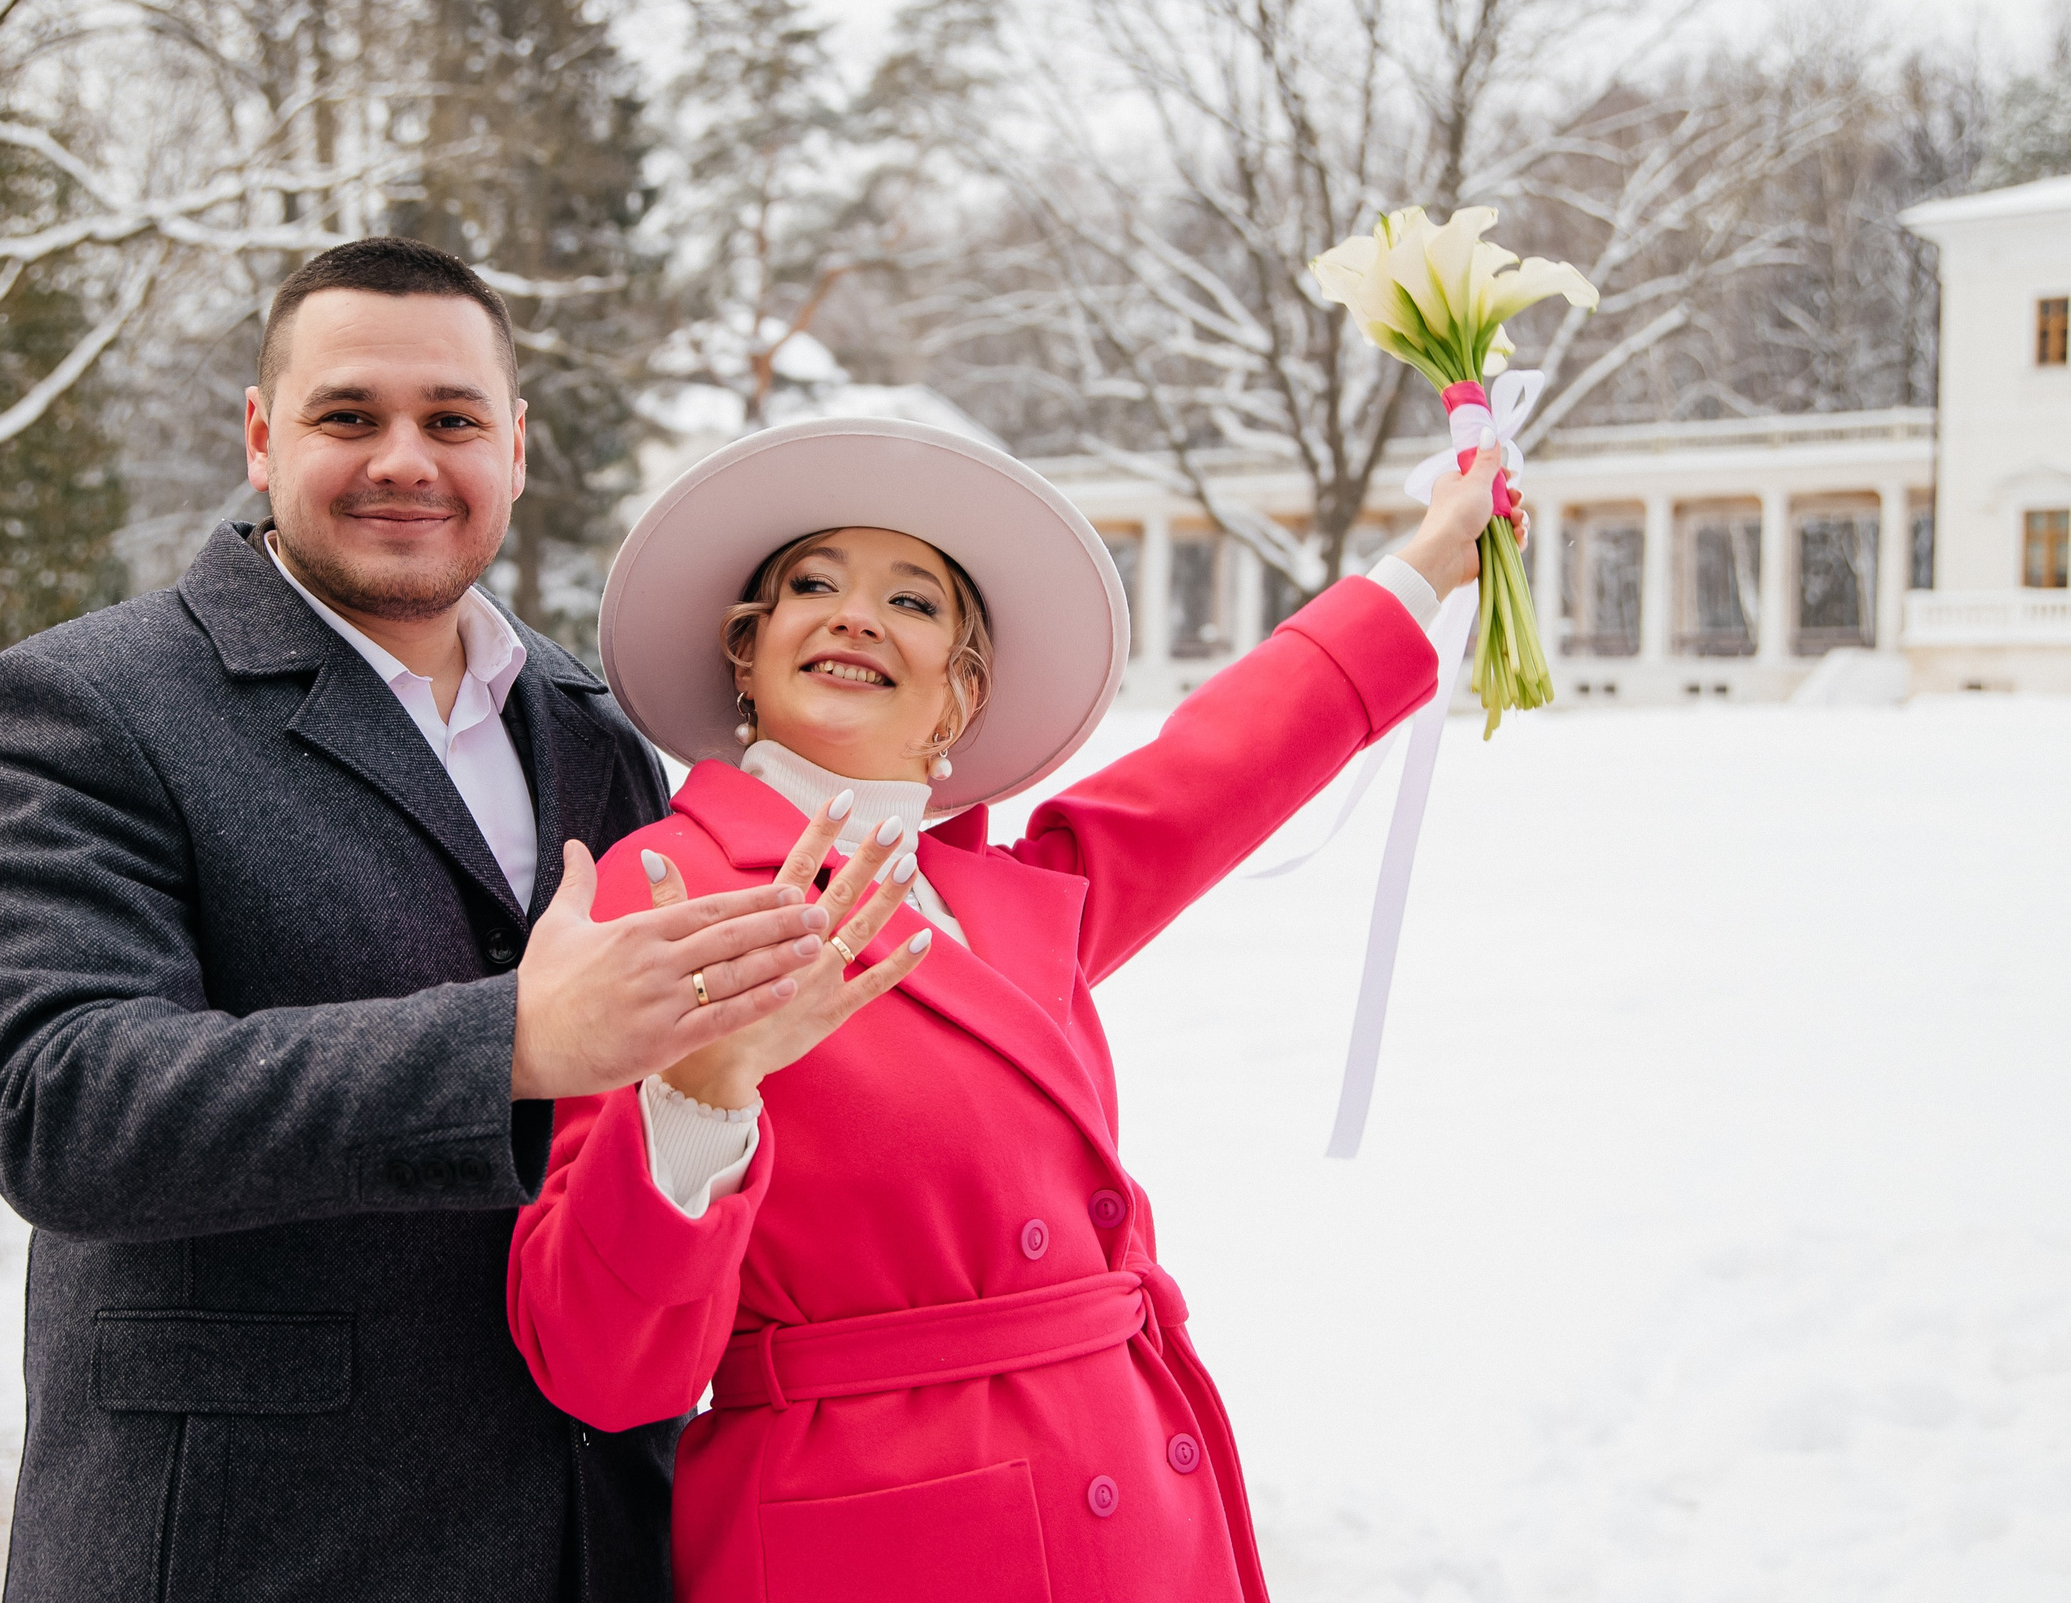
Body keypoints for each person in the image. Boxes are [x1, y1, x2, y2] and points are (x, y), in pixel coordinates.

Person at [0, 239, 884, 1602]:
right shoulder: (88, 705)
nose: (404, 459)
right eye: (347, 416)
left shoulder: (595, 729)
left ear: (517, 447)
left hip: (579, 1531)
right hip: (251, 1540)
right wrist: (505, 1041)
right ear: (262, 436)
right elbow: (57, 1102)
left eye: (451, 420)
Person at [505, 416, 1523, 1603]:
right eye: (810, 584)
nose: (854, 613)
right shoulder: (664, 886)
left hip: (1130, 1506)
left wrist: (1431, 560)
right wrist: (694, 1097)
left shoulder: (1016, 899)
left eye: (914, 600)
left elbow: (1220, 762)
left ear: (960, 693)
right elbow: (600, 1365)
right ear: (746, 653)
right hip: (879, 1543)